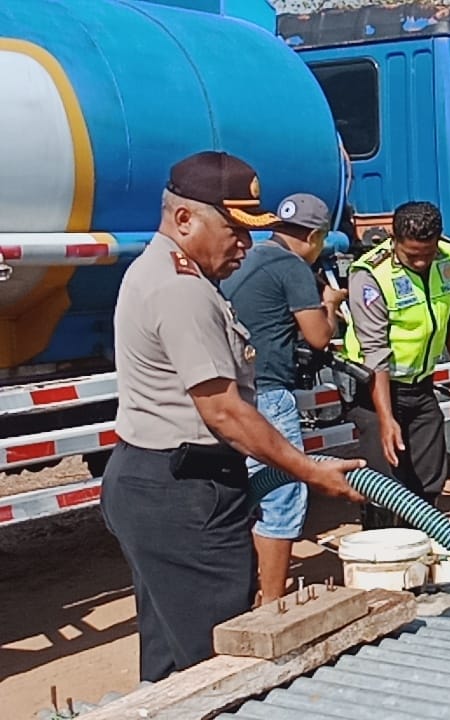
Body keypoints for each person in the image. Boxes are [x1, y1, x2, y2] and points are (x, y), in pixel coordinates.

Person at [101, 150, 364, 683]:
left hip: (164, 483)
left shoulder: (169, 273)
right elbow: (224, 411)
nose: (244, 244)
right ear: (184, 220)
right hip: (183, 495)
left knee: (173, 665)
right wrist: (309, 470)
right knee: (218, 668)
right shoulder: (181, 290)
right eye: (233, 230)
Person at [222, 193, 348, 601]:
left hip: (232, 391)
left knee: (245, 493)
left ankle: (244, 592)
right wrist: (329, 304)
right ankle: (273, 604)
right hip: (269, 394)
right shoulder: (292, 267)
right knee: (284, 492)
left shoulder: (252, 257)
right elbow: (319, 337)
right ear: (314, 235)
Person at [341, 201, 450, 528]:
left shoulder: (449, 257)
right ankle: (383, 556)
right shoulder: (370, 274)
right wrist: (386, 419)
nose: (421, 262)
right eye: (411, 255)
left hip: (421, 388)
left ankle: (419, 552)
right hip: (374, 391)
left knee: (428, 478)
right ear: (394, 239)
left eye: (427, 254)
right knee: (383, 484)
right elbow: (375, 352)